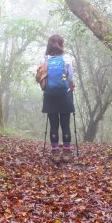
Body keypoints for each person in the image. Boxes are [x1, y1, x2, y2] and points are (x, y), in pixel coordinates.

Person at [40, 34, 75, 164]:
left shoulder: (44, 59)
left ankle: (55, 153)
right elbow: (70, 78)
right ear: (62, 44)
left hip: (50, 96)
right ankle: (66, 152)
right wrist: (70, 87)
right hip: (65, 94)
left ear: (49, 44)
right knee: (65, 124)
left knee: (53, 125)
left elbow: (41, 79)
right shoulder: (67, 58)